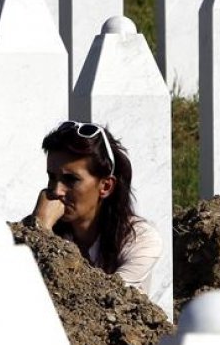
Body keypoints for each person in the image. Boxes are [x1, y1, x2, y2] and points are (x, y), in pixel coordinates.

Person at [27, 120, 161, 294]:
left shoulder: (139, 239)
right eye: (52, 177)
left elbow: (107, 300)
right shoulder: (39, 227)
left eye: (71, 180)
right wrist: (39, 230)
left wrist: (41, 236)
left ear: (105, 186)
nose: (56, 190)